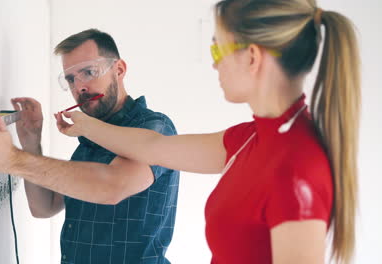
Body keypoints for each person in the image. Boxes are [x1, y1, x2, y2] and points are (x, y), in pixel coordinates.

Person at [55, 1, 361, 263]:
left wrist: (14, 159)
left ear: (252, 57)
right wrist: (84, 125)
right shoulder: (250, 138)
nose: (215, 65)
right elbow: (153, 146)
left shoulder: (297, 168)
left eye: (218, 49)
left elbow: (119, 177)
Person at [0, 29, 180, 264]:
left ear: (119, 70)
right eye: (70, 79)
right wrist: (31, 142)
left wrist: (13, 159)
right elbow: (44, 207)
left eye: (88, 72)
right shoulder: (90, 137)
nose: (79, 87)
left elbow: (111, 187)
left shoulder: (154, 128)